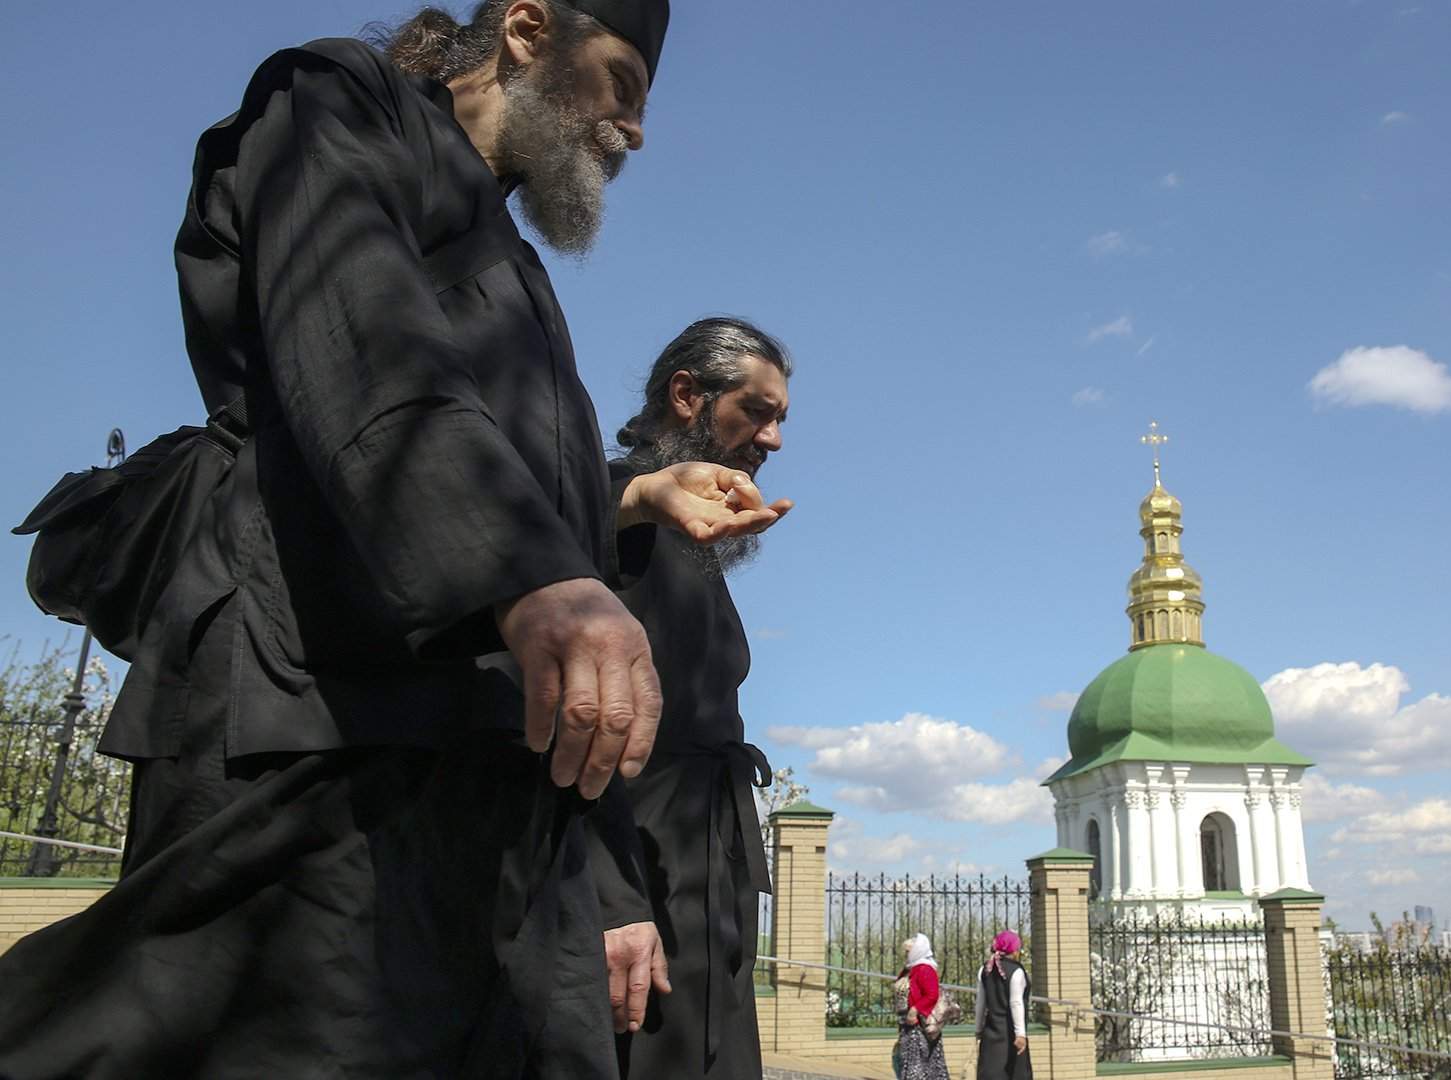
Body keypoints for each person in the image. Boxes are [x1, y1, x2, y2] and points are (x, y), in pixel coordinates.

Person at [0, 2, 775, 1075]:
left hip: (497, 806)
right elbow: (364, 350)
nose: (633, 131)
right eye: (622, 85)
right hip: (318, 737)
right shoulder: (333, 102)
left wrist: (629, 504)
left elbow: (515, 509)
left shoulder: (520, 272)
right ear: (525, 28)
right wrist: (534, 571)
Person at [605, 317, 795, 1078]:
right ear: (688, 395)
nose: (774, 438)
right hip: (636, 872)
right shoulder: (610, 507)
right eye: (757, 410)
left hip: (703, 873)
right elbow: (568, 728)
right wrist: (611, 900)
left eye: (780, 418)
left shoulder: (689, 541)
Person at [975, 930, 1034, 1080]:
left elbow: (980, 1002)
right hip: (1010, 1037)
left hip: (990, 1033)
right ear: (1013, 951)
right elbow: (1016, 1003)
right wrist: (1020, 1034)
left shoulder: (985, 969)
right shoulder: (1016, 972)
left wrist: (978, 1028)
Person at [895, 933, 952, 1080]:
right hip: (906, 1024)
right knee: (908, 1062)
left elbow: (931, 994)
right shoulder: (909, 969)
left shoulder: (925, 969)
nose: (906, 954)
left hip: (919, 1025)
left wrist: (915, 1010)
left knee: (919, 1065)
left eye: (908, 951)